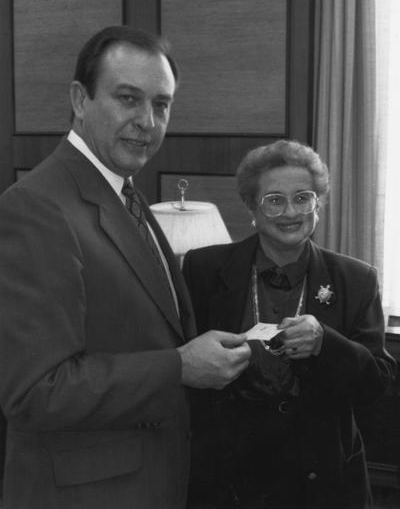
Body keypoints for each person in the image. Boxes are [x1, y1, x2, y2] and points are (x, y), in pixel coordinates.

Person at [0, 25, 251, 509]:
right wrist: (179, 366)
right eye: (128, 99)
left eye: (161, 105)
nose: (147, 121)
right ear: (80, 99)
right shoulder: (35, 208)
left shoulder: (125, 193)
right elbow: (35, 391)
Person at [183, 139, 396, 509]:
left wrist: (326, 344)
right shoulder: (203, 269)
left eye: (302, 198)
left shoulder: (356, 279)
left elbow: (376, 386)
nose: (290, 212)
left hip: (321, 478)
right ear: (252, 206)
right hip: (229, 476)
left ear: (319, 204)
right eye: (274, 199)